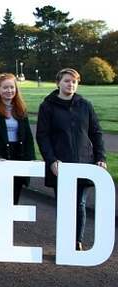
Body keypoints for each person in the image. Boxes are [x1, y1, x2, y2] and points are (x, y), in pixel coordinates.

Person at [36, 68, 107, 251]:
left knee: (80, 204)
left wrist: (100, 157)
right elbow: (42, 137)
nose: (71, 84)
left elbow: (96, 133)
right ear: (58, 82)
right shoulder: (47, 106)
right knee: (65, 204)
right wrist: (51, 160)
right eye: (67, 81)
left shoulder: (85, 105)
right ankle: (65, 240)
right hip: (60, 165)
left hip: (85, 163)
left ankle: (77, 242)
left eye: (74, 81)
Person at [0, 73, 36, 205]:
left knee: (15, 197)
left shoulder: (20, 109)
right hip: (1, 156)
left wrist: (30, 157)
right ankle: (2, 225)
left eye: (12, 87)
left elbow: (28, 135)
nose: (9, 91)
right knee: (3, 198)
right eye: (5, 88)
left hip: (19, 155)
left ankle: (11, 225)